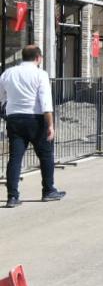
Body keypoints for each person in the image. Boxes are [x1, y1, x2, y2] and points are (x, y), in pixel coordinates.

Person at [0, 46, 66, 208]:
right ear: (38, 58)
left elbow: (1, 96)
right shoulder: (40, 74)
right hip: (35, 119)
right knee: (46, 155)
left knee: (15, 158)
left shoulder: (8, 73)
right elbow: (45, 102)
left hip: (14, 118)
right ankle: (48, 190)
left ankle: (12, 196)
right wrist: (50, 125)